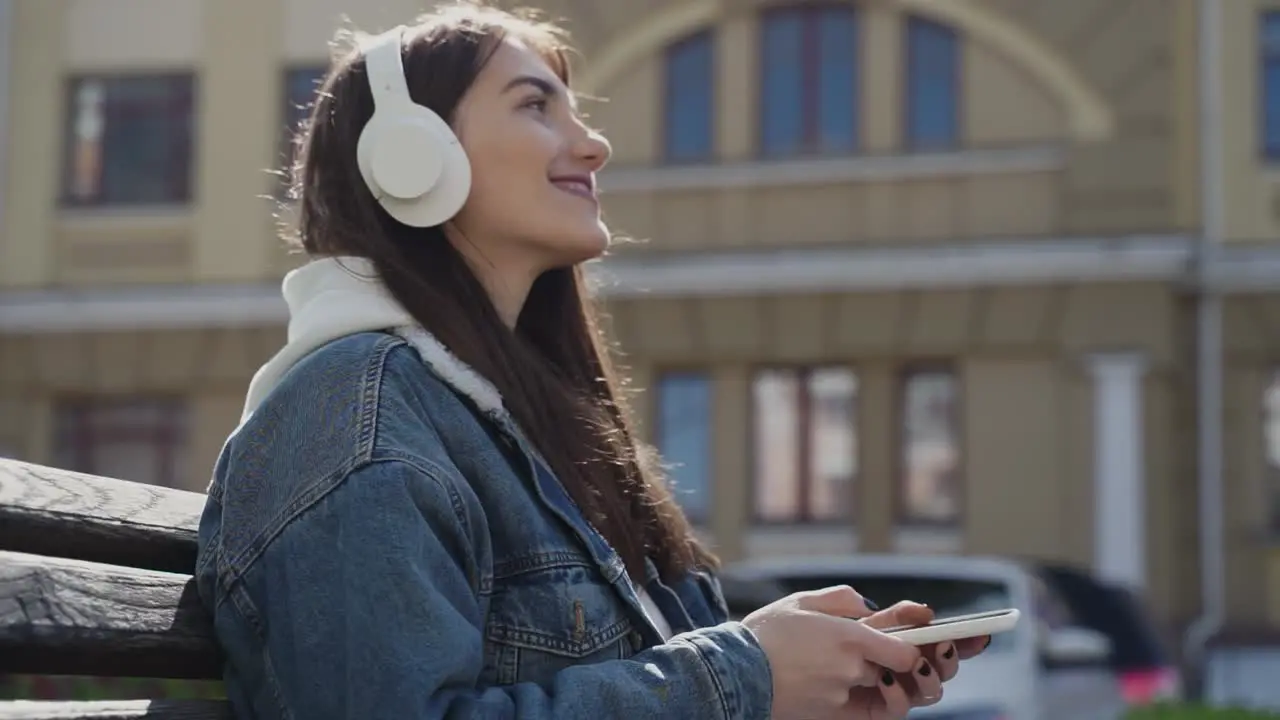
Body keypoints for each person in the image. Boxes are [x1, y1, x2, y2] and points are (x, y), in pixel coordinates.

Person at [193, 4, 990, 719]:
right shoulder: (352, 419)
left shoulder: (522, 415)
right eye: (536, 105)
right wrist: (745, 674)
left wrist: (804, 685)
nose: (595, 144)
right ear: (411, 155)